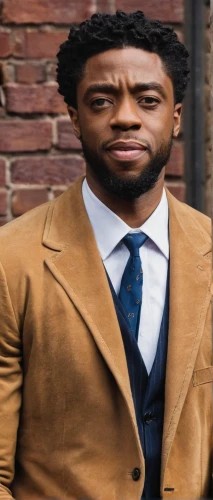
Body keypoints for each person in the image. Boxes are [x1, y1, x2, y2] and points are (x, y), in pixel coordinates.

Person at [0, 9, 212, 500]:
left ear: (175, 117)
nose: (125, 116)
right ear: (74, 118)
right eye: (101, 100)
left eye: (148, 99)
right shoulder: (11, 263)